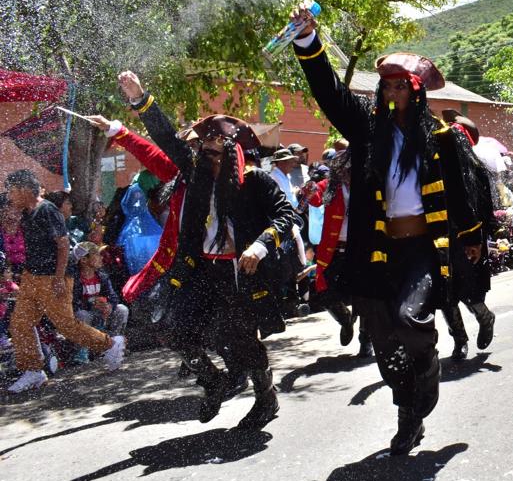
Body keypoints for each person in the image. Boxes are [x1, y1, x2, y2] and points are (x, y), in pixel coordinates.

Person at [289, 6, 486, 455]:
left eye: (401, 86)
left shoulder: (440, 138)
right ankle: (407, 414)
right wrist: (308, 41)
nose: (393, 93)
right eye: (388, 85)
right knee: (383, 341)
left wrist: (473, 236)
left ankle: (428, 364)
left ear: (416, 93)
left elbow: (460, 191)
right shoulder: (366, 130)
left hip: (422, 248)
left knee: (410, 320)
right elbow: (331, 93)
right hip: (374, 250)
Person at [111, 71, 295, 430]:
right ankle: (212, 382)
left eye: (215, 153)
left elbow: (287, 215)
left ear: (231, 153)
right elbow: (164, 137)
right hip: (199, 268)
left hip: (241, 274)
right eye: (203, 150)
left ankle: (265, 396)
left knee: (239, 338)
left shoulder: (255, 181)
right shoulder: (194, 173)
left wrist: (260, 245)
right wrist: (139, 99)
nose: (207, 158)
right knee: (174, 328)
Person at [5, 170, 126, 393]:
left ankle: (110, 344)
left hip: (54, 277)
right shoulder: (27, 213)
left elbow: (62, 243)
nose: (9, 195)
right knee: (20, 323)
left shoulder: (47, 210)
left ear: (23, 189)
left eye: (11, 190)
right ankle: (32, 370)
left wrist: (60, 278)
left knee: (66, 325)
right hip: (33, 277)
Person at [437, 109, 497, 361]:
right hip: (439, 233)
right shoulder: (435, 160)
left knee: (467, 288)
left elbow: (484, 210)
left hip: (467, 237)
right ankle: (459, 339)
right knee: (444, 292)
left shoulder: (476, 170)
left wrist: (480, 238)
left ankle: (485, 317)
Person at [306, 147, 374, 359]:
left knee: (365, 296)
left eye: (352, 170)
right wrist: (307, 190)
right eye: (345, 170)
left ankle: (366, 341)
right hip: (333, 250)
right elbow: (314, 198)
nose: (348, 174)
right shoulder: (330, 187)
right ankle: (345, 320)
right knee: (324, 292)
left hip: (362, 249)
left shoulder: (369, 187)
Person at [72, 241, 129, 336]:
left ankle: (113, 342)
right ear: (84, 260)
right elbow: (72, 304)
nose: (101, 257)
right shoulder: (74, 279)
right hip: (87, 315)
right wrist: (91, 305)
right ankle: (82, 348)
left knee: (122, 309)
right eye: (97, 255)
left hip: (101, 314)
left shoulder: (102, 276)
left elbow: (113, 297)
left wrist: (109, 306)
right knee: (82, 315)